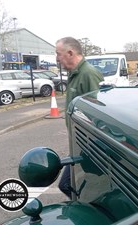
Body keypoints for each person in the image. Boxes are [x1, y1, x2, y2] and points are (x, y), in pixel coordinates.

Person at [55, 37, 104, 199]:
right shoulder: (74, 74)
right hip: (78, 142)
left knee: (68, 184)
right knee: (75, 185)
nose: (57, 58)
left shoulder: (88, 74)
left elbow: (99, 113)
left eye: (58, 54)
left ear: (70, 53)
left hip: (88, 144)